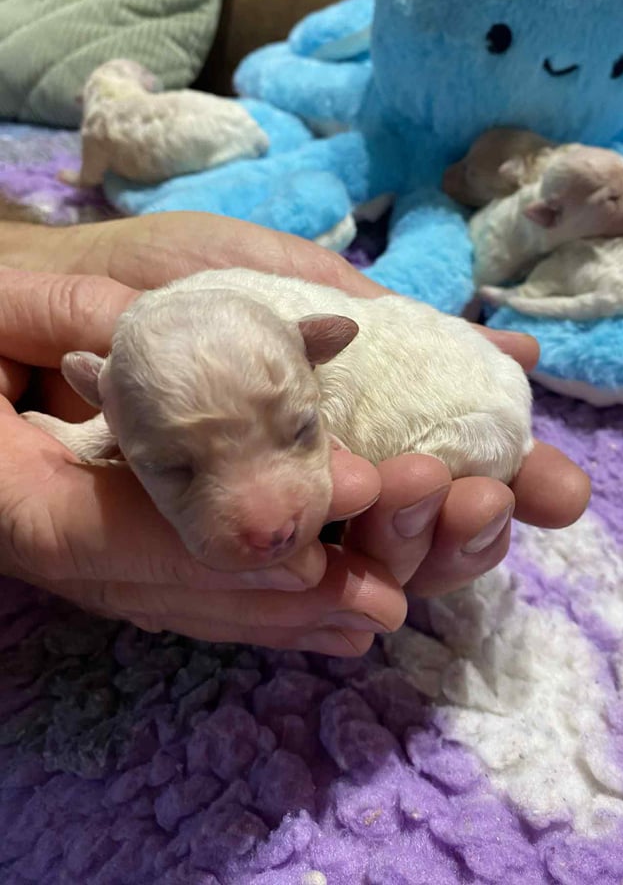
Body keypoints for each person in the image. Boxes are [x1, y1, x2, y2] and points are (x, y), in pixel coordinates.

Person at [0, 210, 590, 654]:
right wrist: (87, 440)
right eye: (176, 467)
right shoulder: (152, 361)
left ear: (315, 351)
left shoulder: (298, 344)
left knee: (423, 478)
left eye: (301, 430)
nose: (270, 526)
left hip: (478, 416)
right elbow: (149, 412)